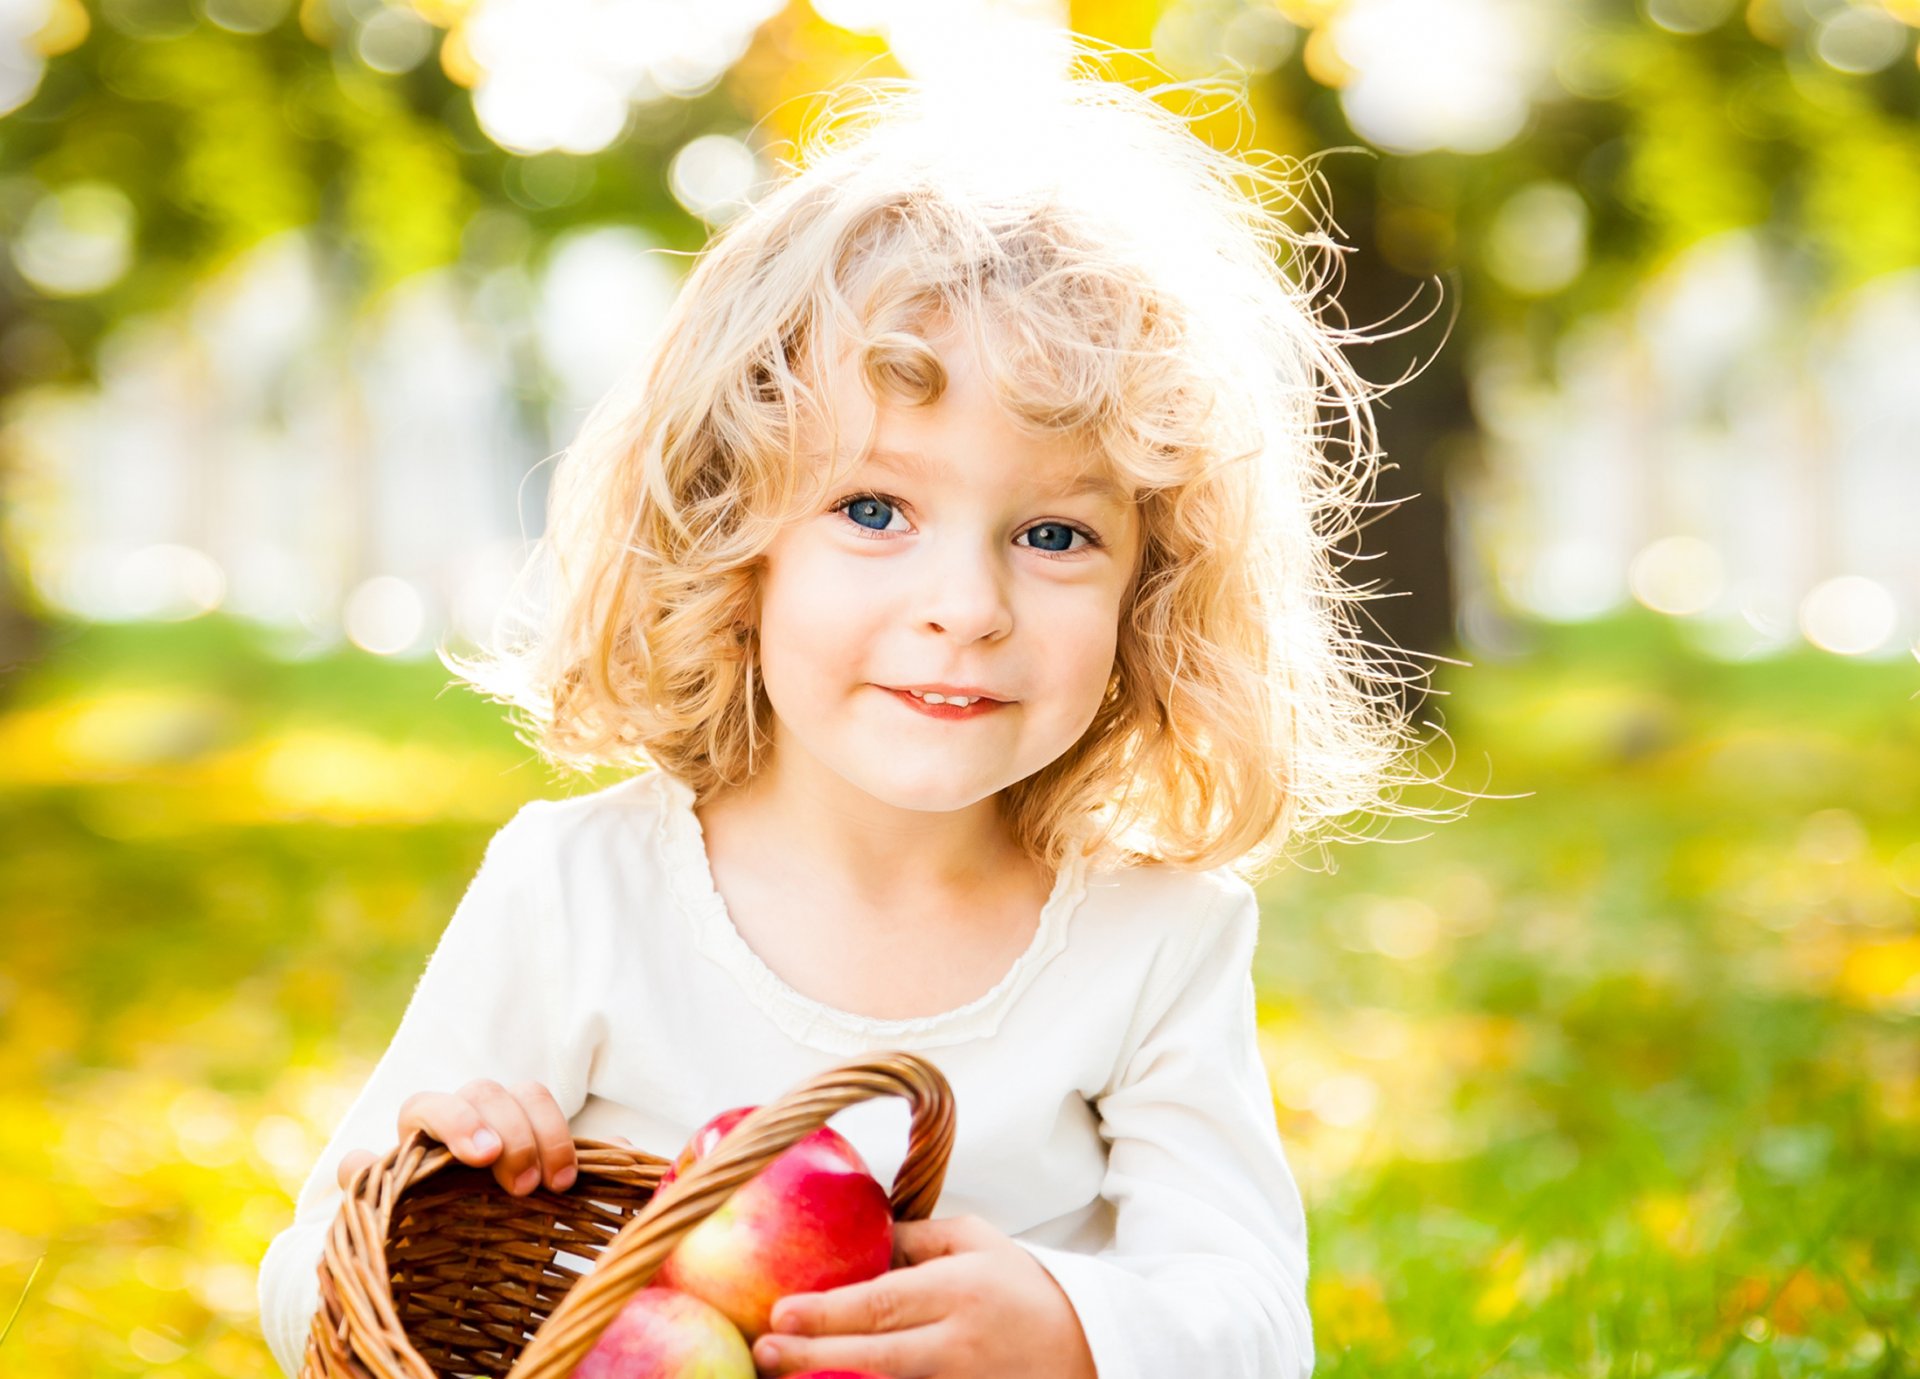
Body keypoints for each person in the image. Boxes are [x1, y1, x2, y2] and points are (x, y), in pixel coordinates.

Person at [257, 51, 1444, 1379]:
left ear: (1151, 593)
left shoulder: (1159, 940)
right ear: (732, 539)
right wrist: (437, 1176)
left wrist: (1069, 1327)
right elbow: (310, 1283)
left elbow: (1257, 1326)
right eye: (873, 510)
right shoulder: (579, 888)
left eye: (1055, 532)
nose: (968, 606)